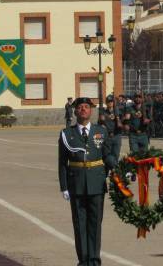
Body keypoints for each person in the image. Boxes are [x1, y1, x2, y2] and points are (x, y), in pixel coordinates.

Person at [58, 97, 115, 266]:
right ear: (75, 112)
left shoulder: (101, 131)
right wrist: (64, 186)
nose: (83, 109)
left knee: (95, 224)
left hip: (97, 184)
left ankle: (94, 260)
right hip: (76, 184)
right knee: (80, 224)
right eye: (80, 107)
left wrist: (119, 168)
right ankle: (83, 260)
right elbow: (62, 162)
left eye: (86, 107)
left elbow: (108, 156)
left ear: (91, 111)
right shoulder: (67, 134)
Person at [100, 94, 123, 160]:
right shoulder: (103, 112)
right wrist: (101, 121)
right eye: (108, 102)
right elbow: (100, 124)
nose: (110, 103)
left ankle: (114, 169)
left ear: (113, 103)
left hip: (117, 135)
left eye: (111, 101)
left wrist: (118, 118)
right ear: (106, 103)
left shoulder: (119, 111)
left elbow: (123, 123)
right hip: (107, 136)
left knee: (116, 154)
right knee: (106, 155)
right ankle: (107, 169)